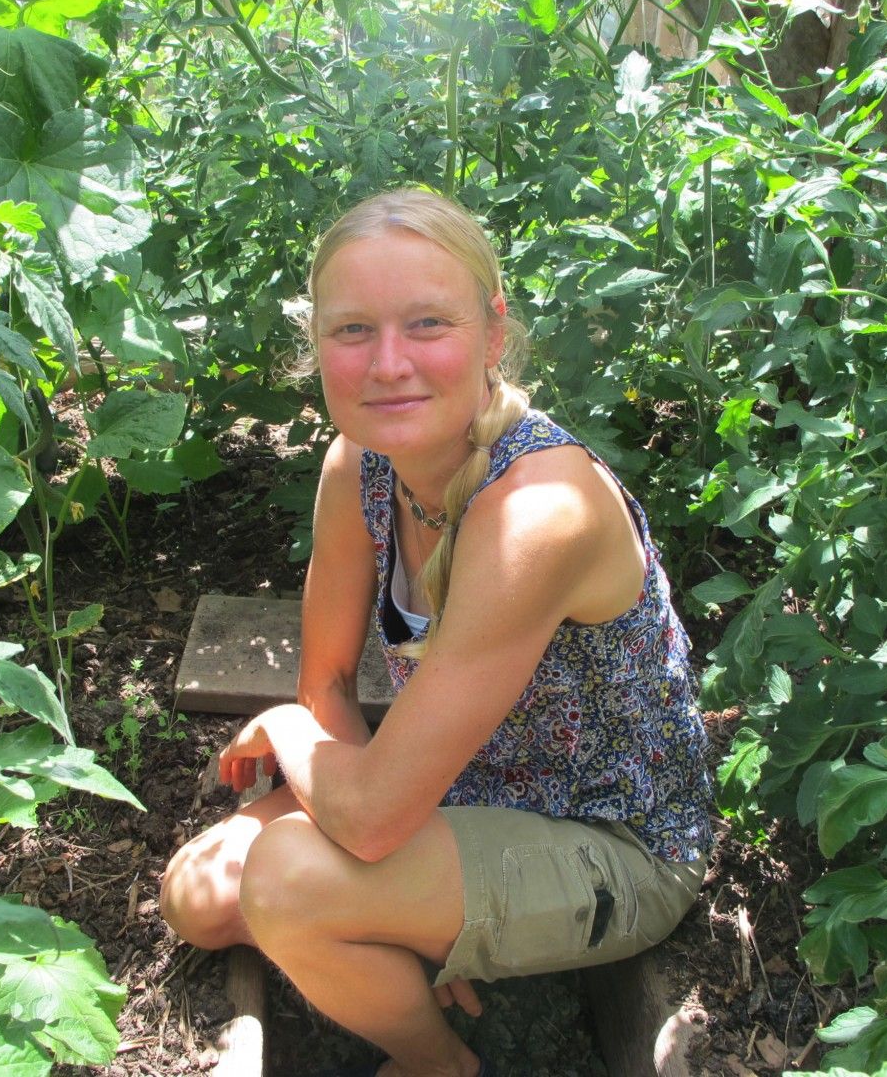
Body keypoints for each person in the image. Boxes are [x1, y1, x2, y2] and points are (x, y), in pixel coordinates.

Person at [160, 188, 713, 1077]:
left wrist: (300, 747)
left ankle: (434, 1061)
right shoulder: (360, 468)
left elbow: (365, 802)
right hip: (455, 791)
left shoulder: (539, 509)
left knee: (287, 882)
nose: (388, 364)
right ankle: (415, 938)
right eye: (351, 331)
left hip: (615, 842)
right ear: (318, 347)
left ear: (493, 334)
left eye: (426, 323)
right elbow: (330, 685)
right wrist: (389, 890)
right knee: (199, 896)